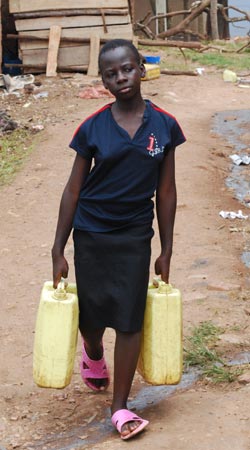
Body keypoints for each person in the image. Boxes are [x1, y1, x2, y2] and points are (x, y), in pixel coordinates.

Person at [51, 39, 186, 441]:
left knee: (129, 316)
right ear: (105, 82)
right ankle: (93, 354)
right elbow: (73, 189)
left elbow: (166, 191)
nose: (121, 77)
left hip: (134, 235)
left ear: (142, 69)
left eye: (127, 69)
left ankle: (120, 407)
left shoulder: (164, 125)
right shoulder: (92, 127)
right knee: (92, 316)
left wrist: (167, 249)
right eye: (111, 74)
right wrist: (58, 249)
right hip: (91, 232)